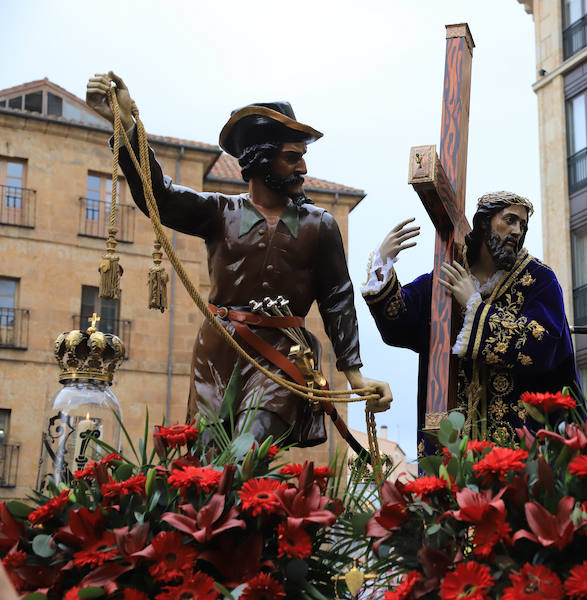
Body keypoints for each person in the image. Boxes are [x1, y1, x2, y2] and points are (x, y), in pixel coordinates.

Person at [85, 72, 390, 444]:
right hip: (218, 354)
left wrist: (354, 374)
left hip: (283, 354)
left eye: (303, 157)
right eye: (292, 158)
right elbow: (159, 197)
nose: (303, 169)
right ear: (262, 160)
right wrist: (127, 125)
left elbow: (338, 299)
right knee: (207, 457)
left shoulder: (320, 225)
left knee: (249, 446)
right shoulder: (219, 211)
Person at [363, 191, 578, 452]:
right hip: (450, 446)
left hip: (516, 445)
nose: (517, 231)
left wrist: (474, 306)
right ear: (484, 222)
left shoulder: (538, 279)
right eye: (509, 220)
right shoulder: (447, 277)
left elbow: (543, 344)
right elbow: (399, 322)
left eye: (523, 225)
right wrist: (382, 265)